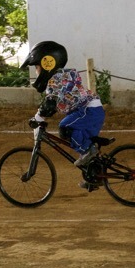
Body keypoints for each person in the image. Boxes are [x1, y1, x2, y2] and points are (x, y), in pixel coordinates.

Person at [21, 40, 106, 187]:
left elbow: (50, 104)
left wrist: (38, 117)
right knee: (84, 143)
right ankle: (94, 176)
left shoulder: (56, 80)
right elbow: (50, 101)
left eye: (37, 66)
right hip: (93, 110)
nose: (36, 71)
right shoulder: (62, 76)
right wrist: (40, 114)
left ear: (48, 63)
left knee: (66, 127)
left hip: (88, 110)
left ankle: (89, 152)